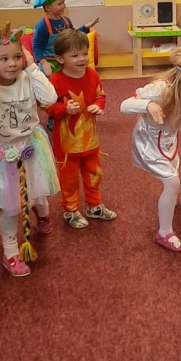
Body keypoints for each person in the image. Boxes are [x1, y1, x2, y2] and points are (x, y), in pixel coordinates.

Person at [0, 24, 60, 278]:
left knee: (37, 189)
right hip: (2, 153)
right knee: (11, 206)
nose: (13, 63)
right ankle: (11, 253)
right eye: (4, 59)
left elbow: (50, 98)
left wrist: (32, 67)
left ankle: (42, 213)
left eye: (17, 56)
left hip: (30, 146)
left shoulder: (28, 78)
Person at [119, 43, 181, 253]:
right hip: (149, 142)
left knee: (174, 173)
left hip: (167, 139)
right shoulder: (160, 89)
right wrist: (148, 105)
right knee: (172, 182)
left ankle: (169, 201)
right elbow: (124, 106)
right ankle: (164, 233)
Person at [46, 28, 117, 230]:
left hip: (90, 140)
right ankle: (70, 210)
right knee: (68, 179)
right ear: (60, 59)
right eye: (75, 55)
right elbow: (47, 106)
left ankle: (94, 206)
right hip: (67, 145)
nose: (82, 59)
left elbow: (100, 95)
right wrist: (63, 109)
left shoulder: (92, 74)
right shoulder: (55, 81)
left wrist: (98, 105)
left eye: (85, 53)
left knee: (95, 173)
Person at [32, 0, 100, 76]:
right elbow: (36, 46)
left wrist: (86, 27)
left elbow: (73, 36)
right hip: (50, 63)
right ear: (48, 7)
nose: (64, 6)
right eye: (59, 4)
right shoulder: (42, 26)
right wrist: (44, 63)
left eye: (63, 2)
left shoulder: (66, 21)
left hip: (64, 62)